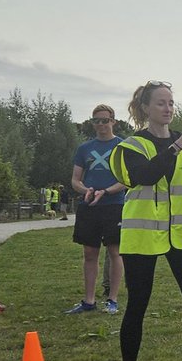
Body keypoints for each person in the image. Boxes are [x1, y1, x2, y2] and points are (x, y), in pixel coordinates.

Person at [109, 81, 182, 361]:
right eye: (161, 103)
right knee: (137, 304)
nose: (168, 109)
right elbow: (144, 176)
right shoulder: (132, 145)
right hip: (143, 235)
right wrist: (179, 144)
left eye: (171, 103)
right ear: (145, 108)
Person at [66, 105, 125, 314]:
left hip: (114, 204)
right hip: (89, 206)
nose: (101, 124)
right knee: (89, 253)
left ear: (113, 121)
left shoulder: (122, 146)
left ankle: (112, 300)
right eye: (97, 121)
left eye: (105, 120)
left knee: (115, 251)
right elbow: (75, 179)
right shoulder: (84, 149)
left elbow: (126, 180)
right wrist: (87, 190)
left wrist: (106, 191)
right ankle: (89, 301)